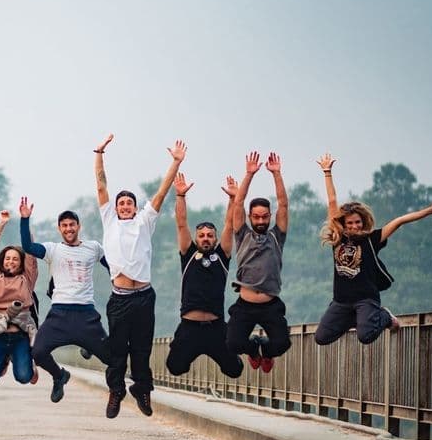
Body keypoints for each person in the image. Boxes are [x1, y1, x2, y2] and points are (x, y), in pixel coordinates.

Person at [95, 134, 184, 418]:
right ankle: (116, 390)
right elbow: (101, 185)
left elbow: (161, 192)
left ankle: (142, 390)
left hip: (144, 297)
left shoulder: (145, 221)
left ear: (134, 207)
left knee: (142, 350)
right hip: (120, 298)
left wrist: (176, 162)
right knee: (118, 350)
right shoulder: (109, 220)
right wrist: (99, 154)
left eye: (128, 203)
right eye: (121, 203)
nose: (124, 206)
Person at [314, 152, 432, 345]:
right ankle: (357, 319)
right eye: (349, 223)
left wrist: (429, 211)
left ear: (363, 221)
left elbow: (400, 221)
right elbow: (332, 201)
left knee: (365, 336)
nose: (354, 226)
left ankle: (384, 317)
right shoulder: (338, 237)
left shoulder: (372, 238)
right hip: (341, 302)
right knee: (321, 338)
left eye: (357, 222)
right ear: (344, 223)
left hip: (366, 300)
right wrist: (327, 172)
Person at [20, 198, 111, 404]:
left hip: (86, 314)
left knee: (113, 359)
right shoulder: (53, 249)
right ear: (59, 228)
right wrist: (25, 220)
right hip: (59, 314)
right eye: (64, 225)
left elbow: (112, 267)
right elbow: (27, 246)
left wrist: (121, 285)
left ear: (78, 226)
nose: (68, 228)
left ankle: (116, 387)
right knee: (38, 352)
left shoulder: (94, 248)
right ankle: (59, 376)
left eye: (72, 225)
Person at [166, 172, 243, 378]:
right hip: (190, 327)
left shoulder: (222, 255)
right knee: (175, 367)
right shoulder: (188, 254)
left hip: (216, 328)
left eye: (210, 236)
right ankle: (178, 346)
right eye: (201, 236)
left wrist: (233, 199)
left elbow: (229, 224)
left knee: (235, 370)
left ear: (216, 239)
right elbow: (181, 223)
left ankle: (245, 348)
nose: (206, 238)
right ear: (196, 238)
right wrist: (180, 196)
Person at [226, 150, 291, 374]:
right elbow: (238, 203)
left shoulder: (276, 236)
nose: (261, 220)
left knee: (282, 343)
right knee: (232, 343)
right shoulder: (242, 234)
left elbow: (283, 205)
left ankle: (266, 351)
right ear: (250, 217)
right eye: (256, 216)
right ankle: (254, 349)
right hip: (245, 305)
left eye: (265, 216)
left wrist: (276, 174)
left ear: (270, 216)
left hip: (270, 305)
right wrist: (249, 175)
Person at [0, 207, 40, 386]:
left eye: (15, 259)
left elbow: (30, 253)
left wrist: (25, 222)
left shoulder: (27, 279)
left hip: (21, 335)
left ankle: (26, 362)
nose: (10, 261)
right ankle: (4, 359)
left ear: (21, 262)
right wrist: (1, 224)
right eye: (7, 258)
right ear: (2, 260)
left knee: (24, 377)